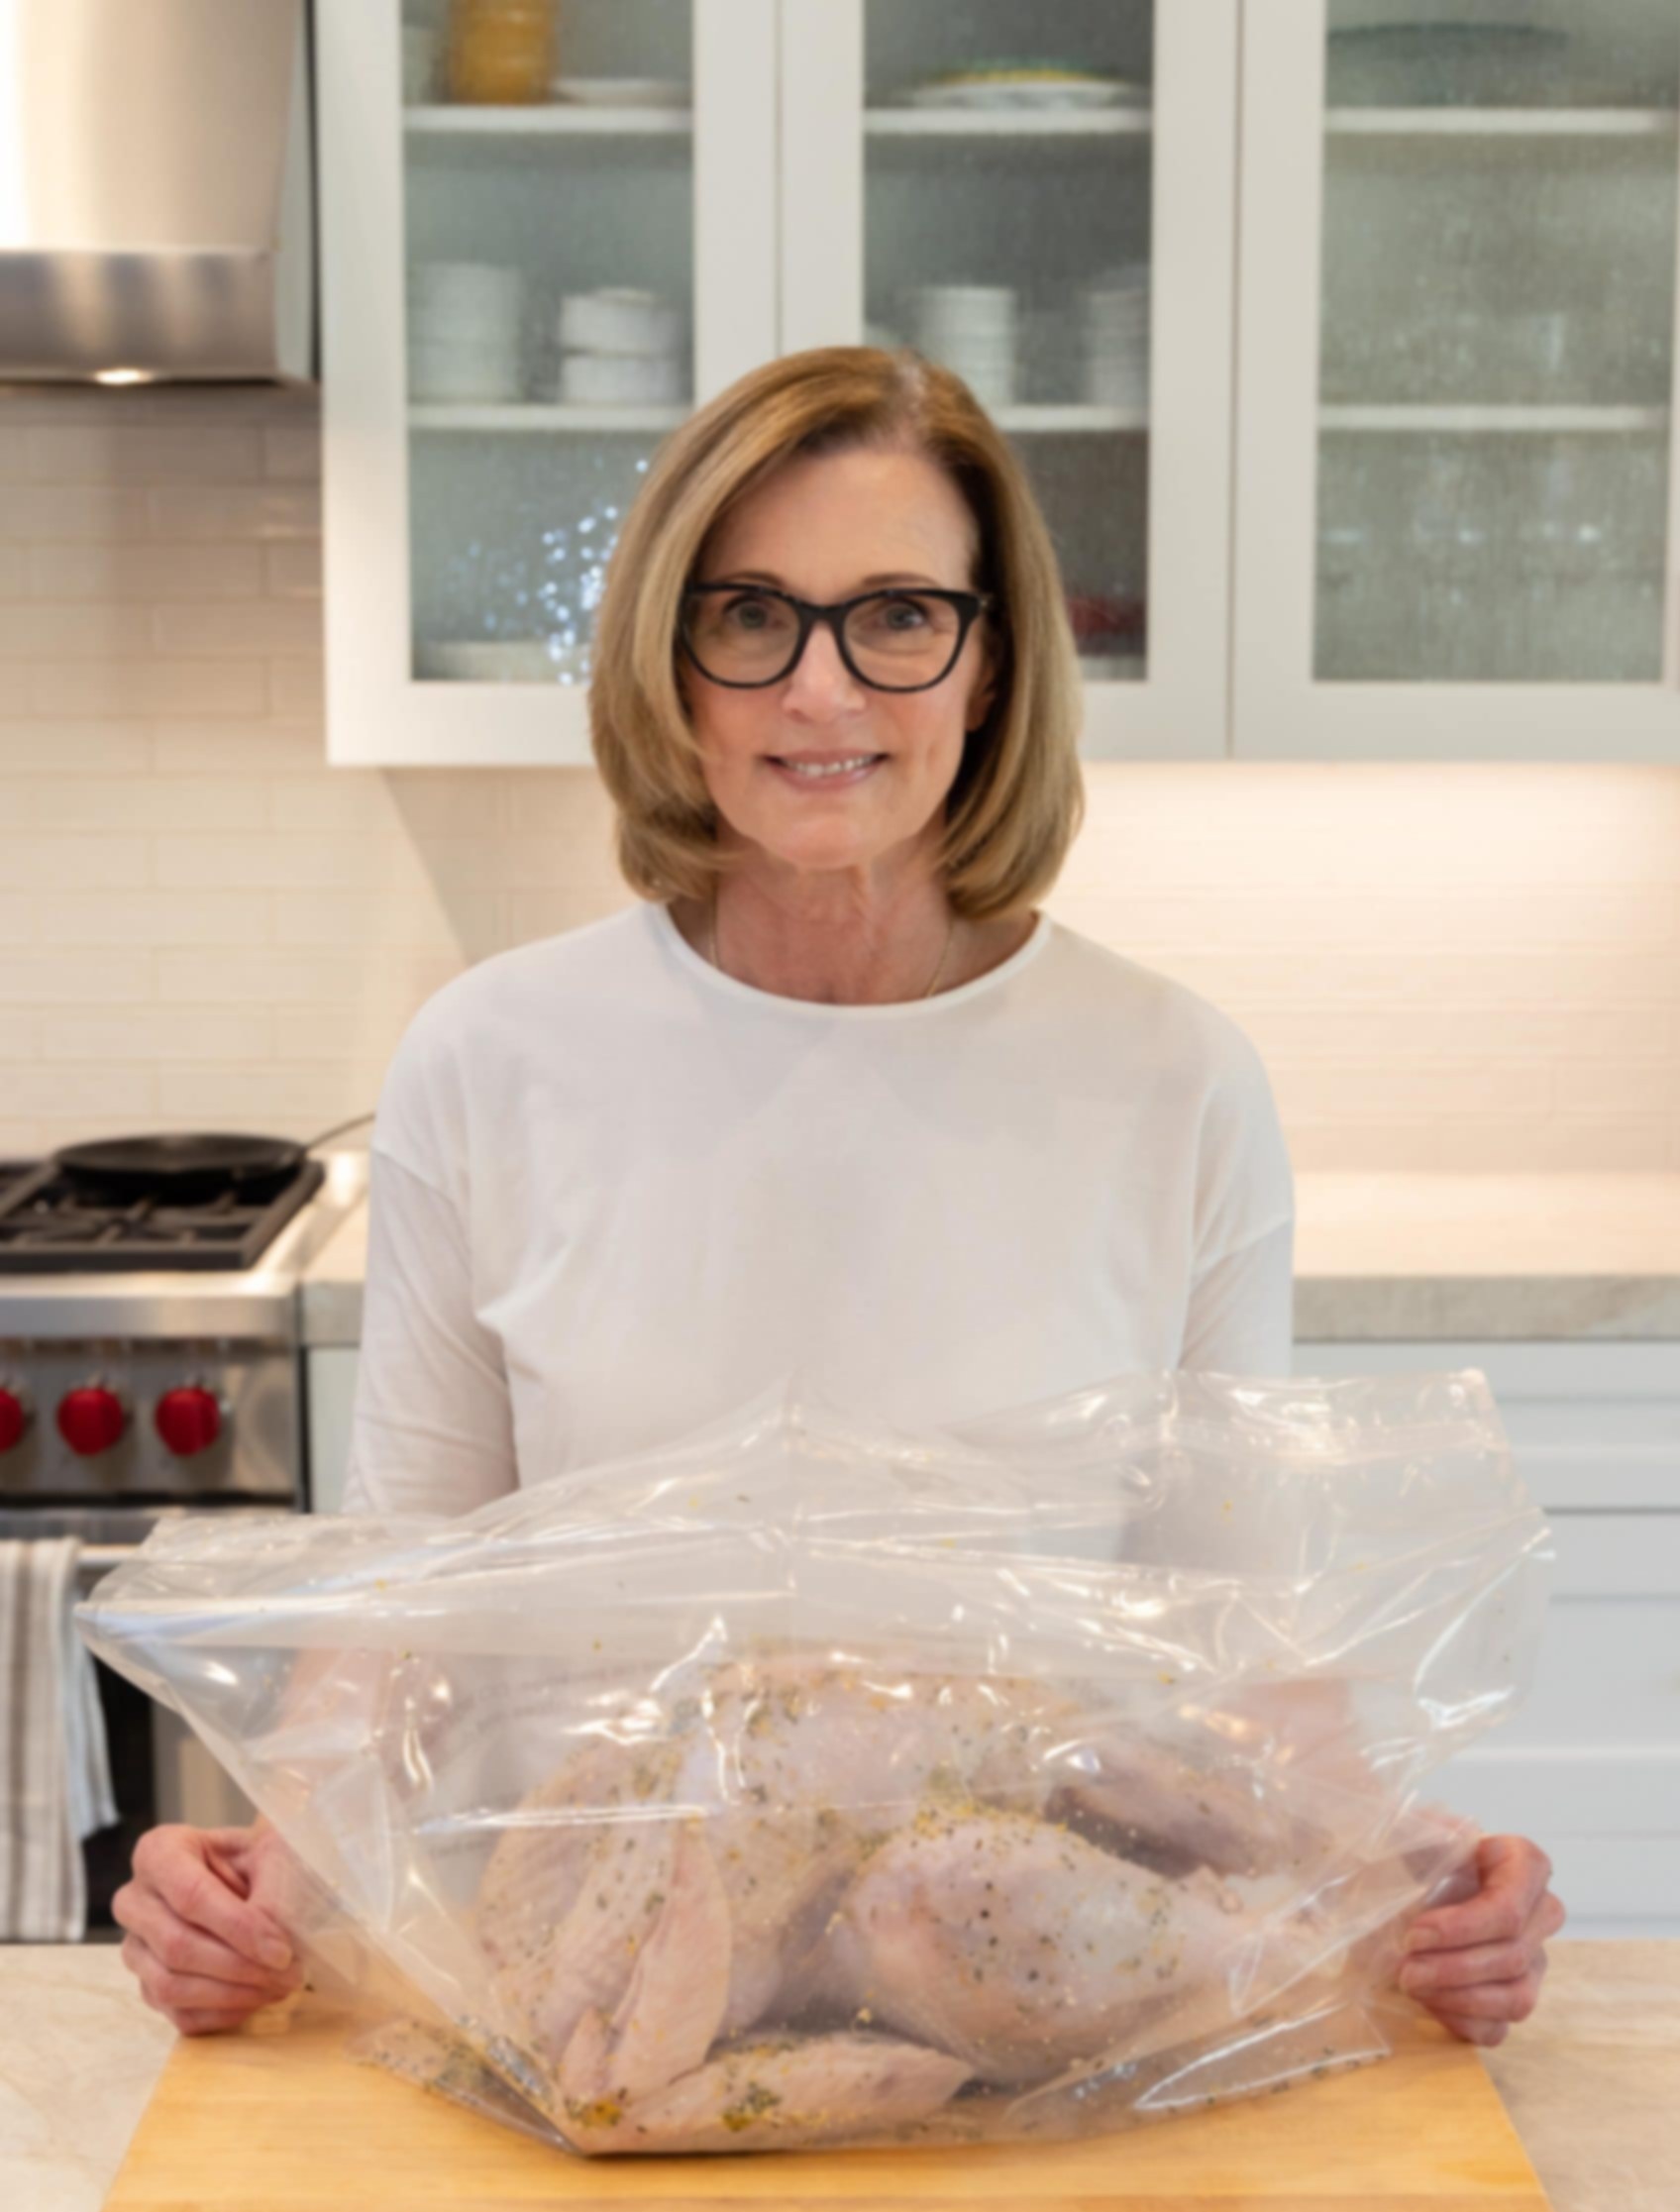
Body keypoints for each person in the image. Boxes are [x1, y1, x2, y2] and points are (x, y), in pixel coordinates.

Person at [113, 346, 1563, 2048]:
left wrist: (1409, 1872)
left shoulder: (1175, 1084)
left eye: (896, 615)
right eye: (752, 618)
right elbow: (410, 1589)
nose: (822, 693)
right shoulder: (489, 1060)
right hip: (589, 2001)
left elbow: (1232, 1643)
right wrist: (259, 1881)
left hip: (1010, 2010)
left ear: (990, 662)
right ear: (675, 662)